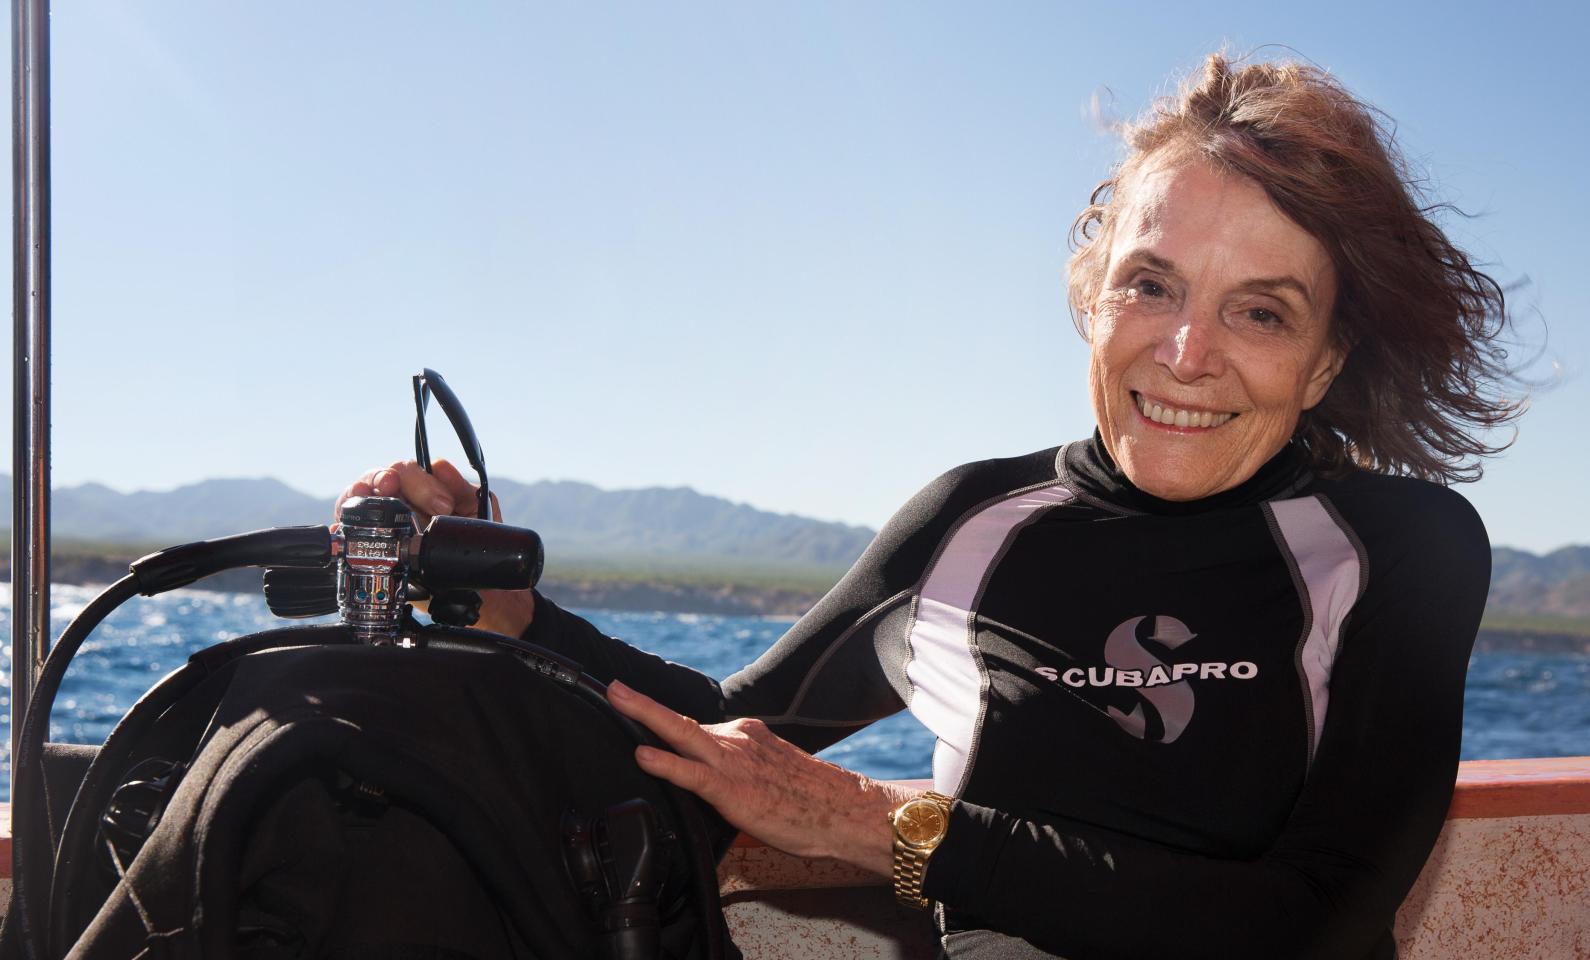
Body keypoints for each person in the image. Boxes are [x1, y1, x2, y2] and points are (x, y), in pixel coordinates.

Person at [340, 53, 1521, 960]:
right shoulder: (973, 520)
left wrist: (886, 829)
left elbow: (1307, 923)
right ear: (1087, 295)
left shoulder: (1396, 548)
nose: (1184, 352)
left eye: (1258, 312)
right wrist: (513, 610)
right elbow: (738, 734)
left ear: (1323, 362)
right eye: (1149, 286)